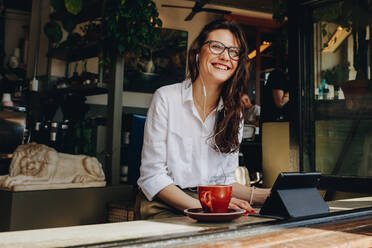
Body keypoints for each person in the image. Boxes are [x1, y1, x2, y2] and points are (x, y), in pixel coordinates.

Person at [136, 19, 270, 220]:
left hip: (211, 203)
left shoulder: (235, 113)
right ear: (198, 52)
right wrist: (205, 207)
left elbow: (223, 182)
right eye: (217, 47)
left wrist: (264, 195)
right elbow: (152, 177)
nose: (225, 56)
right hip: (163, 204)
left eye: (233, 51)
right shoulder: (166, 98)